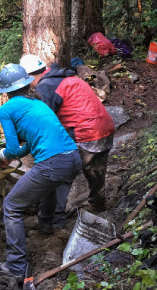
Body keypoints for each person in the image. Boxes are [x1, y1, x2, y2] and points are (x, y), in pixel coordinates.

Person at [0, 63, 81, 281]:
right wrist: (15, 152)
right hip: (73, 156)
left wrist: (3, 155)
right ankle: (46, 224)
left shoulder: (7, 109)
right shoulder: (39, 103)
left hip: (53, 162)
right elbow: (30, 145)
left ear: (5, 92)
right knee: (48, 187)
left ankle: (16, 265)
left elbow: (12, 149)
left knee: (12, 206)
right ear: (26, 85)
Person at [20, 54, 115, 228]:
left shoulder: (46, 86)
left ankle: (55, 220)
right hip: (105, 127)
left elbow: (41, 122)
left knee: (60, 173)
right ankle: (98, 206)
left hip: (85, 133)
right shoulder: (67, 77)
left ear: (31, 77)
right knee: (96, 172)